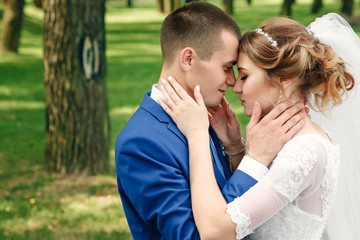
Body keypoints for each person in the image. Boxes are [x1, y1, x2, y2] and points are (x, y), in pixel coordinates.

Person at [115, 2, 307, 239]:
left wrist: (235, 149)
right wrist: (255, 160)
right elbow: (197, 235)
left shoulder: (206, 115)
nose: (232, 81)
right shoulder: (142, 142)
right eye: (227, 67)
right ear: (188, 59)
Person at [159, 14, 356, 239]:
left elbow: (215, 232)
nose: (235, 87)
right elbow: (252, 201)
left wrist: (197, 135)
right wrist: (235, 146)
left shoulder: (306, 151)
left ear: (284, 79)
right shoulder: (286, 137)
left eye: (244, 76)